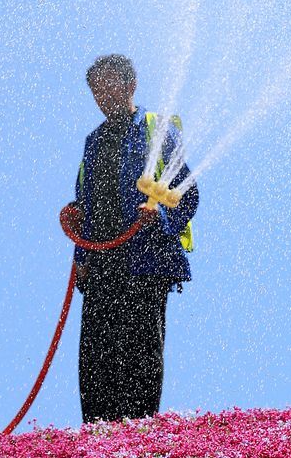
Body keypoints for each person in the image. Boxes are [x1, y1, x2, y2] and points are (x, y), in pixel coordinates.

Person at [70, 53, 199, 424]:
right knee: (95, 362)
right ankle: (98, 443)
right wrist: (81, 255)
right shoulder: (92, 143)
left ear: (130, 85)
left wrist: (159, 213)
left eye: (108, 85)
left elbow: (188, 193)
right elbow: (85, 202)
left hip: (144, 263)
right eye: (95, 90)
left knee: (141, 355)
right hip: (102, 267)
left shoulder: (157, 129)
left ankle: (139, 438)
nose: (102, 95)